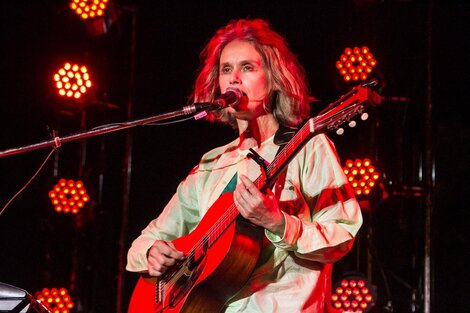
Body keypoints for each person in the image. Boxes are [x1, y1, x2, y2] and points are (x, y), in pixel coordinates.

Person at [126, 18, 362, 312]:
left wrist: (279, 223)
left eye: (247, 67)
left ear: (275, 79)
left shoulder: (307, 146)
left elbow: (342, 234)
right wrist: (151, 253)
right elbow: (145, 241)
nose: (234, 78)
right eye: (226, 69)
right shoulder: (212, 164)